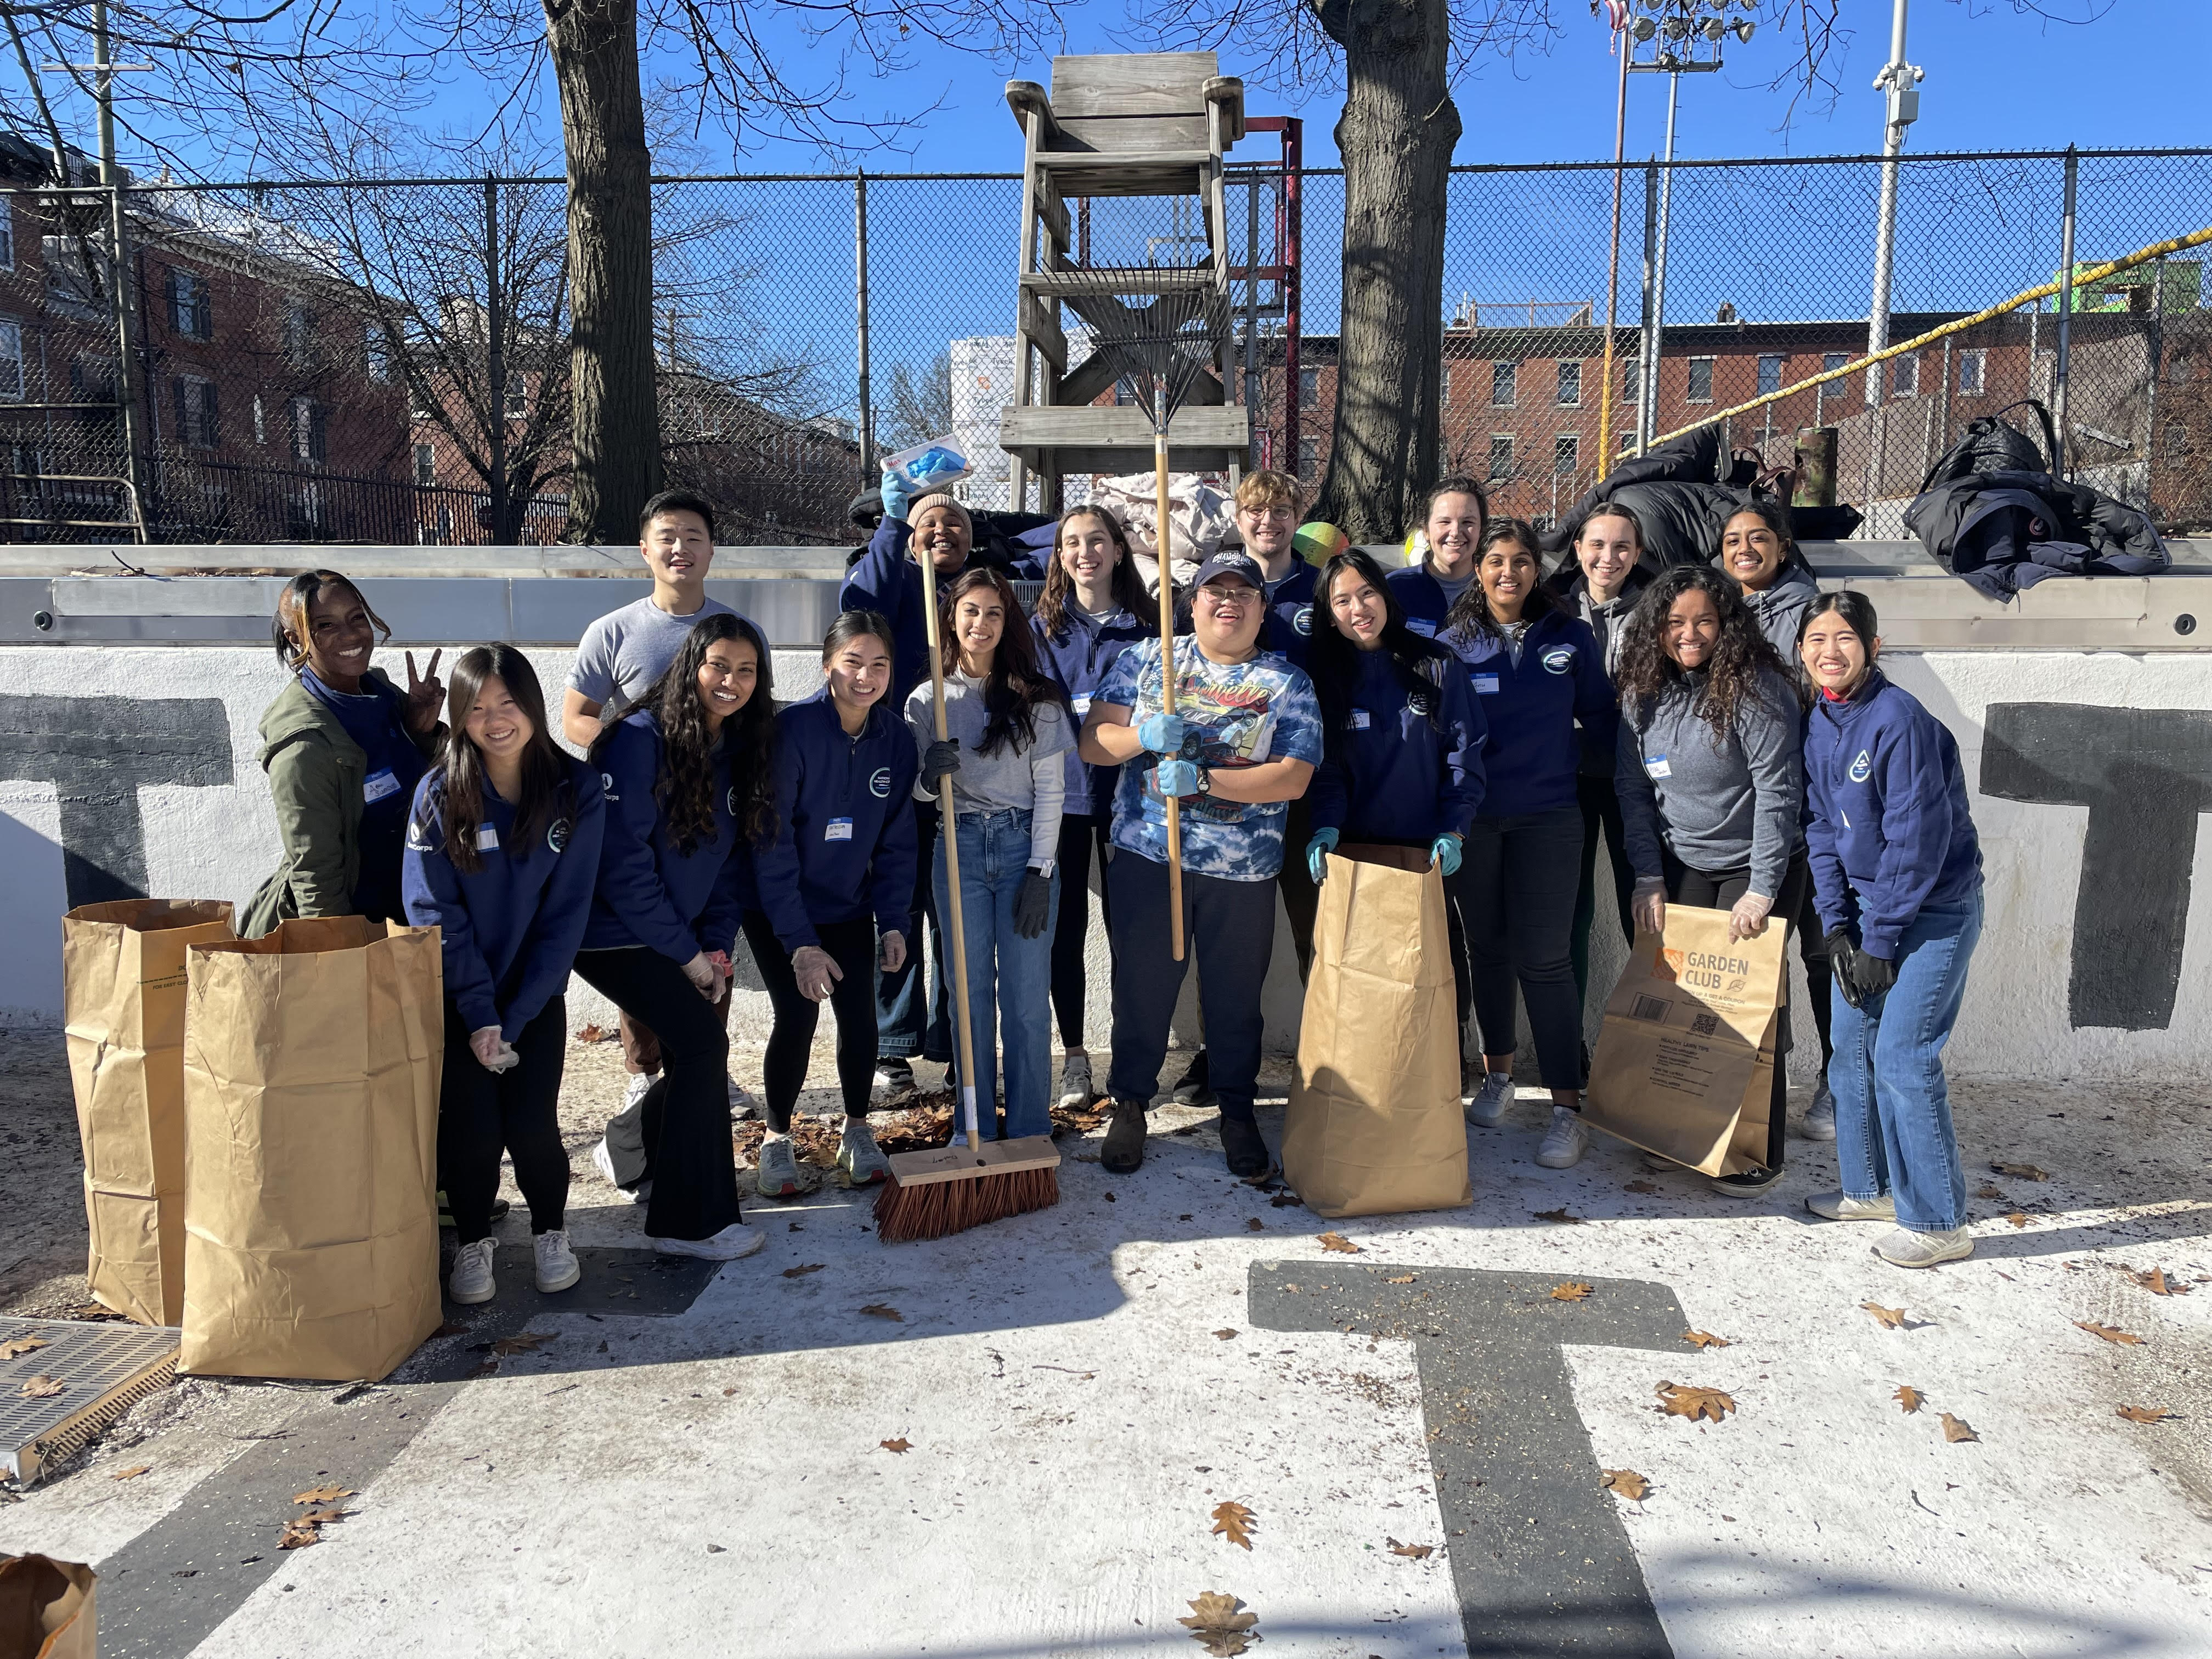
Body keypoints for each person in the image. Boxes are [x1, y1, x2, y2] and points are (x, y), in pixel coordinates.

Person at [1080, 548, 1323, 1178]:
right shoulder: (1148, 659)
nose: (1229, 602)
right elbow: (1095, 742)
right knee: (1141, 989)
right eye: (1216, 590)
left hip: (1243, 871)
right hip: (1149, 858)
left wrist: (1205, 782)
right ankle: (1130, 1103)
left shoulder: (1287, 683)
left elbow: (1293, 778)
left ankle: (1236, 1112)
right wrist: (1141, 738)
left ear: (1261, 609)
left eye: (1243, 593)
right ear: (1194, 602)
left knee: (1236, 998)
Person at [402, 648, 606, 1305]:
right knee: (473, 1133)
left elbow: (567, 914)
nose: (495, 721)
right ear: (460, 718)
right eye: (478, 708)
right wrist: (480, 1014)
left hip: (534, 996)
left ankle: (551, 1232)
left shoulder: (577, 791)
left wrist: (512, 1017)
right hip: (461, 1000)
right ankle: (471, 1243)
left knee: (532, 1126)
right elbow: (434, 913)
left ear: (533, 707)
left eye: (508, 704)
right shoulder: (438, 795)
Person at [571, 614, 774, 1261]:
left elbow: (725, 865)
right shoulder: (636, 740)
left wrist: (714, 945)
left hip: (673, 933)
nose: (731, 682)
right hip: (607, 933)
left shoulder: (732, 750)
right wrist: (686, 955)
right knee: (700, 1041)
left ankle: (630, 1149)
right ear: (691, 666)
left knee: (697, 1046)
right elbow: (622, 870)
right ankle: (689, 1225)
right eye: (719, 665)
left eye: (747, 671)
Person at [561, 488, 759, 1149]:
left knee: (709, 953)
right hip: (644, 817)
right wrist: (647, 753)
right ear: (645, 549)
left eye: (694, 536)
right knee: (647, 954)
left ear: (712, 550)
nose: (681, 549)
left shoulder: (735, 630)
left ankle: (706, 1070)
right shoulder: (613, 631)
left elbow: (750, 720)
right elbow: (574, 718)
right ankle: (645, 1078)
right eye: (668, 537)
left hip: (711, 824)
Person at [1798, 592, 1985, 1268]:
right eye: (1816, 638)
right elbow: (1820, 828)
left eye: (1845, 638)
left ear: (1874, 648)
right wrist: (1839, 928)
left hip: (1932, 913)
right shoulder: (1819, 721)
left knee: (1905, 1059)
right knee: (1851, 1053)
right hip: (1869, 914)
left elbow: (1917, 839)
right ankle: (1870, 1190)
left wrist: (1880, 941)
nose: (1830, 651)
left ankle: (1939, 1223)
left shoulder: (1899, 719)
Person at [1614, 563, 1808, 1197]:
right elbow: (1633, 792)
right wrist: (1648, 876)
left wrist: (1762, 887)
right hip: (1684, 862)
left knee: (1752, 1013)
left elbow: (1778, 792)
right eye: (1674, 622)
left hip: (1756, 865)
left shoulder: (1757, 689)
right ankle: (1682, 1132)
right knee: (1682, 1005)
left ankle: (1755, 1150)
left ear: (1726, 624)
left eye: (1703, 620)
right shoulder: (1643, 694)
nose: (1689, 633)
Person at [1442, 519, 1617, 1170]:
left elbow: (1602, 718)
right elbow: (1438, 731)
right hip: (1477, 819)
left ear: (1536, 570)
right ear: (1479, 571)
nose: (1509, 573)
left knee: (1545, 958)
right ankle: (1498, 1075)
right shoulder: (1455, 642)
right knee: (1486, 948)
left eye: (1521, 561)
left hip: (1549, 816)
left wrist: (1584, 775)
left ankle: (1568, 1109)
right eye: (1496, 562)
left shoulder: (1569, 637)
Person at [744, 613, 918, 1198]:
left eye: (879, 665)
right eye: (853, 662)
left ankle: (857, 1129)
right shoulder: (793, 731)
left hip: (847, 904)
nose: (865, 677)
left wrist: (893, 922)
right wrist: (799, 943)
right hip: (780, 905)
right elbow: (771, 845)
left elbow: (897, 842)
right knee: (798, 1015)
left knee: (860, 1016)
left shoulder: (894, 738)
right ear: (828, 666)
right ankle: (775, 1138)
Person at [908, 569, 1075, 1141]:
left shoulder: (1038, 699)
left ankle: (1030, 1127)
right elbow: (920, 795)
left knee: (1027, 999)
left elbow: (1052, 791)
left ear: (1009, 623)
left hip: (1022, 843)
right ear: (952, 618)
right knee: (968, 993)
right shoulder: (928, 697)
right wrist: (930, 777)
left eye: (994, 613)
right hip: (955, 847)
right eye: (971, 611)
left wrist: (1041, 871)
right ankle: (972, 1124)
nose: (982, 623)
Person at [1173, 467, 1321, 1108]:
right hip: (1229, 801)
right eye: (1257, 511)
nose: (1270, 521)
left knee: (1315, 930)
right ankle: (1219, 1055)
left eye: (1283, 510)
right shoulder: (1221, 586)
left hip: (1310, 785)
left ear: (1298, 517)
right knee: (1227, 941)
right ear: (1240, 518)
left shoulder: (1320, 589)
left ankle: (1326, 1054)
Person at [840, 487, 984, 1099]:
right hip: (896, 773)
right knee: (897, 903)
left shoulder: (982, 592)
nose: (944, 529)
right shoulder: (892, 580)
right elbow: (859, 607)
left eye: (956, 522)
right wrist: (897, 526)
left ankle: (955, 1041)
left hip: (962, 775)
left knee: (956, 909)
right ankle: (893, 1046)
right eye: (931, 521)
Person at [1302, 548, 1486, 1025]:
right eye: (1342, 601)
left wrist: (1454, 828)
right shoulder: (1325, 680)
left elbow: (1464, 753)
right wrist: (1325, 827)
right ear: (1330, 614)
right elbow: (1328, 769)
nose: (1358, 609)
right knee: (1364, 976)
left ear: (1385, 596)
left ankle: (1446, 1068)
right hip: (1356, 853)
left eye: (1367, 593)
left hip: (1427, 853)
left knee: (1434, 968)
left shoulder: (1436, 665)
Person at [1030, 505, 1156, 1113]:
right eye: (1072, 543)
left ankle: (1133, 1056)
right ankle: (1075, 1056)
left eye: (1097, 540)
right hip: (1065, 799)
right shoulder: (1042, 629)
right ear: (1059, 556)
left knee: (1133, 931)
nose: (1085, 552)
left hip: (1134, 800)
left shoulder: (1149, 626)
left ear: (1118, 550)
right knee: (1065, 933)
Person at [1720, 498, 1837, 1136]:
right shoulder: (1724, 610)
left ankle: (1841, 1081)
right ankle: (1768, 1075)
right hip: (1757, 813)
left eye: (1758, 537)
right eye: (1733, 539)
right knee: (1766, 957)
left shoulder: (1810, 613)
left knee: (1824, 951)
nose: (1744, 548)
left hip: (1815, 808)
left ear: (1784, 546)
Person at [243, 569, 444, 938]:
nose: (351, 635)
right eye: (326, 625)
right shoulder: (303, 743)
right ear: (295, 637)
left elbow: (423, 786)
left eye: (357, 618)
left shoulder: (379, 691)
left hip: (412, 917)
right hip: (363, 932)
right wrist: (341, 961)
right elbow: (315, 873)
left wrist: (422, 730)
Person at [1552, 505, 1652, 1013]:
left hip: (1633, 779)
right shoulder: (1552, 610)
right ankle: (1570, 1046)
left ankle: (1653, 1045)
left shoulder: (1657, 611)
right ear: (1578, 550)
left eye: (1620, 547)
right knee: (1572, 911)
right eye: (1597, 545)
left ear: (1636, 554)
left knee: (1642, 904)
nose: (1607, 557)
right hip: (1567, 777)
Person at [1386, 476, 1488, 639]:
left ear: (1481, 530)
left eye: (1468, 522)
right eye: (1445, 522)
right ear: (1426, 530)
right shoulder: (1393, 589)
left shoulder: (1495, 590)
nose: (1455, 532)